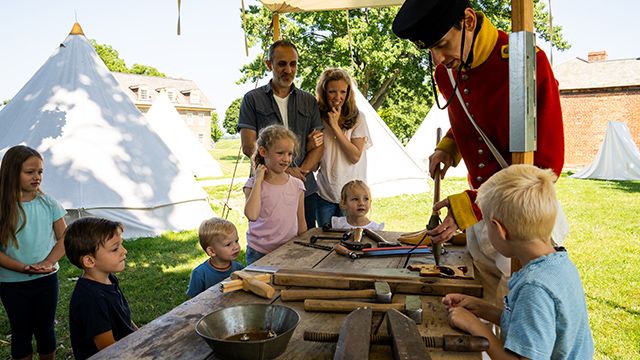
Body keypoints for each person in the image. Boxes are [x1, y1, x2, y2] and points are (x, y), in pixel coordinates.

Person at [393, 0, 567, 290]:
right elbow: (471, 118)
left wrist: (470, 205)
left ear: (469, 22)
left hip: (523, 216)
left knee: (519, 307)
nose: (438, 59)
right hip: (482, 217)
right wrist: (449, 146)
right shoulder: (446, 72)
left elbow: (546, 166)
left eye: (443, 44)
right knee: (485, 305)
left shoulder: (524, 62)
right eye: (431, 50)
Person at [442, 164, 594, 359]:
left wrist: (477, 327)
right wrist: (482, 309)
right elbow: (528, 324)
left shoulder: (534, 288)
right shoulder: (559, 265)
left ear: (499, 230)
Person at [237, 39, 323, 230]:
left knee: (305, 242)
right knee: (268, 244)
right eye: (282, 64)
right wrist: (283, 171)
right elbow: (249, 146)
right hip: (266, 187)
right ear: (270, 64)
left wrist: (299, 172)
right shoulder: (252, 99)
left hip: (303, 187)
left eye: (293, 64)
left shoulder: (308, 101)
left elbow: (319, 145)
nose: (288, 70)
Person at [0, 145, 67, 360]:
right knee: (21, 332)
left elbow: (65, 238)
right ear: (12, 172)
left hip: (46, 279)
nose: (37, 176)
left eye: (40, 172)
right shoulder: (2, 207)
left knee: (45, 329)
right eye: (30, 172)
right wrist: (22, 268)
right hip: (12, 283)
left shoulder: (48, 203)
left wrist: (48, 262)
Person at [64, 217, 136, 360]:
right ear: (90, 261)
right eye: (115, 248)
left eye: (121, 245)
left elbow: (125, 321)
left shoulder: (109, 278)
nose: (124, 251)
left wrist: (142, 335)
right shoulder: (90, 298)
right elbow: (108, 348)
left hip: (126, 348)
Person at [314, 68, 372, 228]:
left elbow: (354, 156)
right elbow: (315, 163)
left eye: (342, 92)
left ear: (348, 93)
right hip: (325, 192)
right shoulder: (317, 118)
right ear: (324, 92)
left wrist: (335, 127)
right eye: (332, 91)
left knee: (350, 241)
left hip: (352, 197)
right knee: (326, 240)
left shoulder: (358, 118)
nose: (337, 97)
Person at [244, 125, 307, 264]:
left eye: (290, 154)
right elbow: (252, 215)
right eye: (280, 153)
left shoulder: (297, 185)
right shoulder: (252, 184)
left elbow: (301, 223)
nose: (286, 159)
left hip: (289, 251)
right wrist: (258, 180)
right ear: (263, 152)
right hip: (258, 253)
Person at [186, 217, 244, 298]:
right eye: (228, 244)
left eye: (236, 241)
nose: (236, 247)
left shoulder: (239, 268)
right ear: (212, 251)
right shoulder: (199, 274)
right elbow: (193, 301)